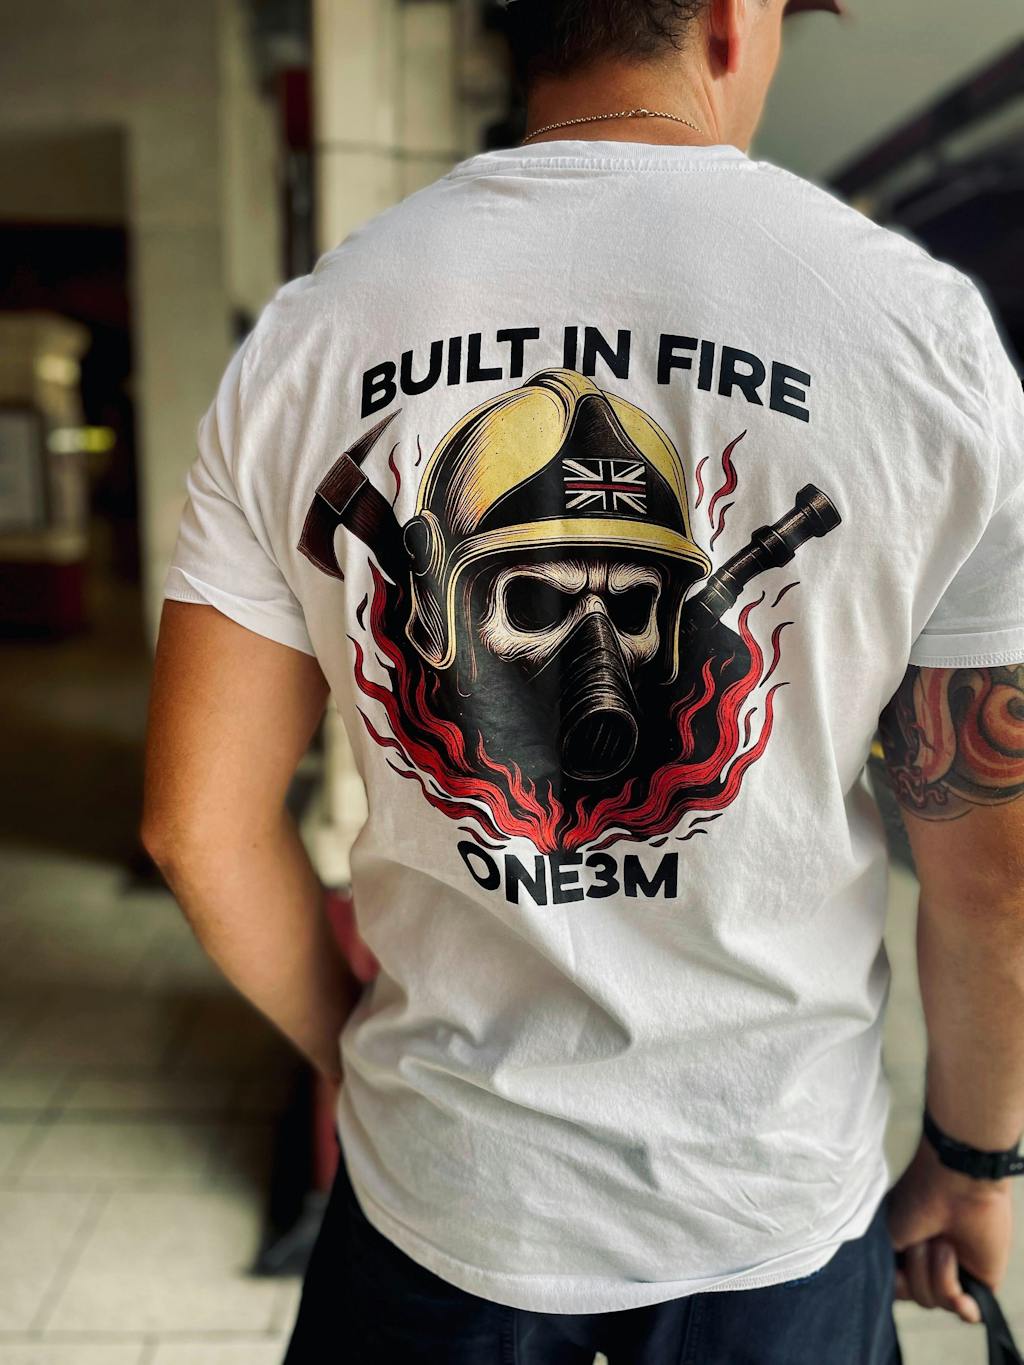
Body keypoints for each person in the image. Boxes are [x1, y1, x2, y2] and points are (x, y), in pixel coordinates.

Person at [142, 0, 1024, 1359]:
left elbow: (194, 825)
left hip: (440, 1193)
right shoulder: (920, 337)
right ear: (731, 20)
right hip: (772, 1204)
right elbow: (995, 873)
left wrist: (358, 1054)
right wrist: (971, 1159)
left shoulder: (312, 339)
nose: (599, 667)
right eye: (541, 601)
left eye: (635, 608)